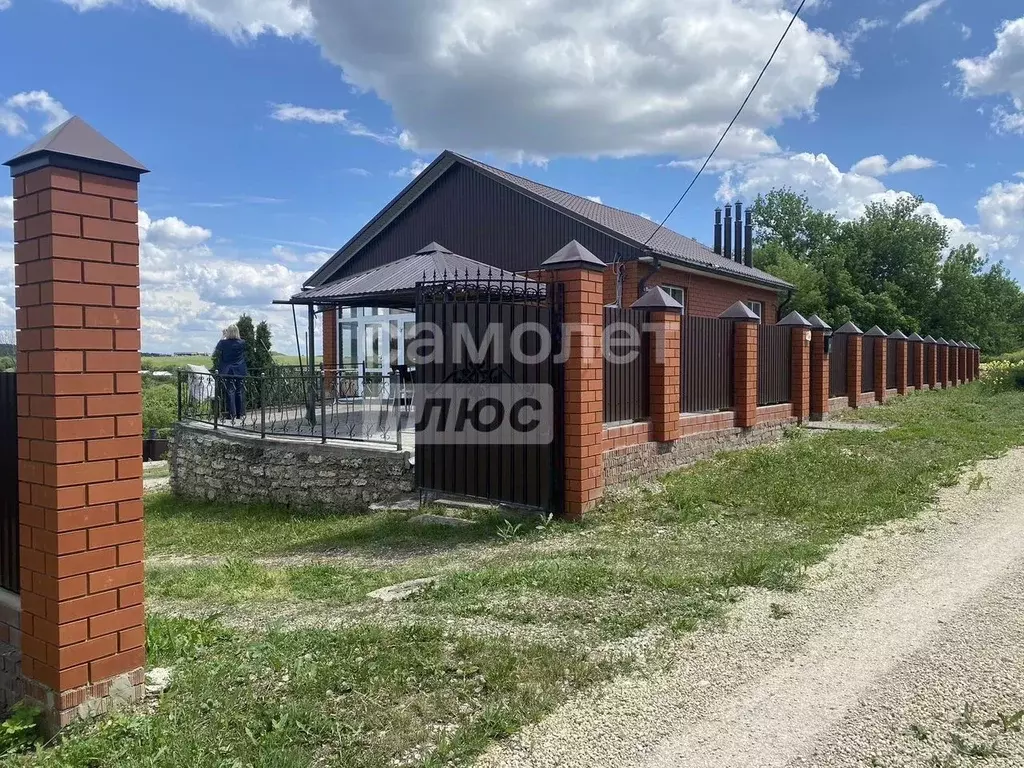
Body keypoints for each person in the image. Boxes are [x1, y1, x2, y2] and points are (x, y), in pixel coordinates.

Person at [214, 325, 247, 421]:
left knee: (230, 391)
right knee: (239, 391)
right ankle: (240, 413)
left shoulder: (224, 343)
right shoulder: (242, 343)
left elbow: (217, 349)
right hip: (240, 370)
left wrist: (223, 335)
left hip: (228, 370)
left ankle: (232, 413)